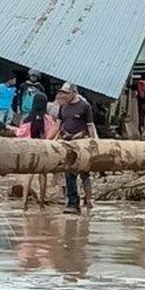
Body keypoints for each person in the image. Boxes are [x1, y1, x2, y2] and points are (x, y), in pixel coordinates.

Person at [50, 83, 96, 214]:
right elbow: (57, 125)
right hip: (66, 144)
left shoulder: (85, 106)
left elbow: (90, 126)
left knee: (85, 175)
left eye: (66, 93)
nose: (63, 95)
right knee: (69, 174)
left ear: (74, 93)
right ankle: (73, 203)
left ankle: (88, 201)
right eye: (62, 93)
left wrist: (93, 143)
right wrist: (48, 141)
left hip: (81, 144)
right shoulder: (63, 107)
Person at [15, 91, 55, 210]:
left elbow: (20, 134)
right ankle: (41, 203)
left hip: (30, 149)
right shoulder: (48, 119)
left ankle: (24, 203)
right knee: (43, 176)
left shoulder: (28, 119)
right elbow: (52, 132)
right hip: (43, 150)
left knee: (28, 176)